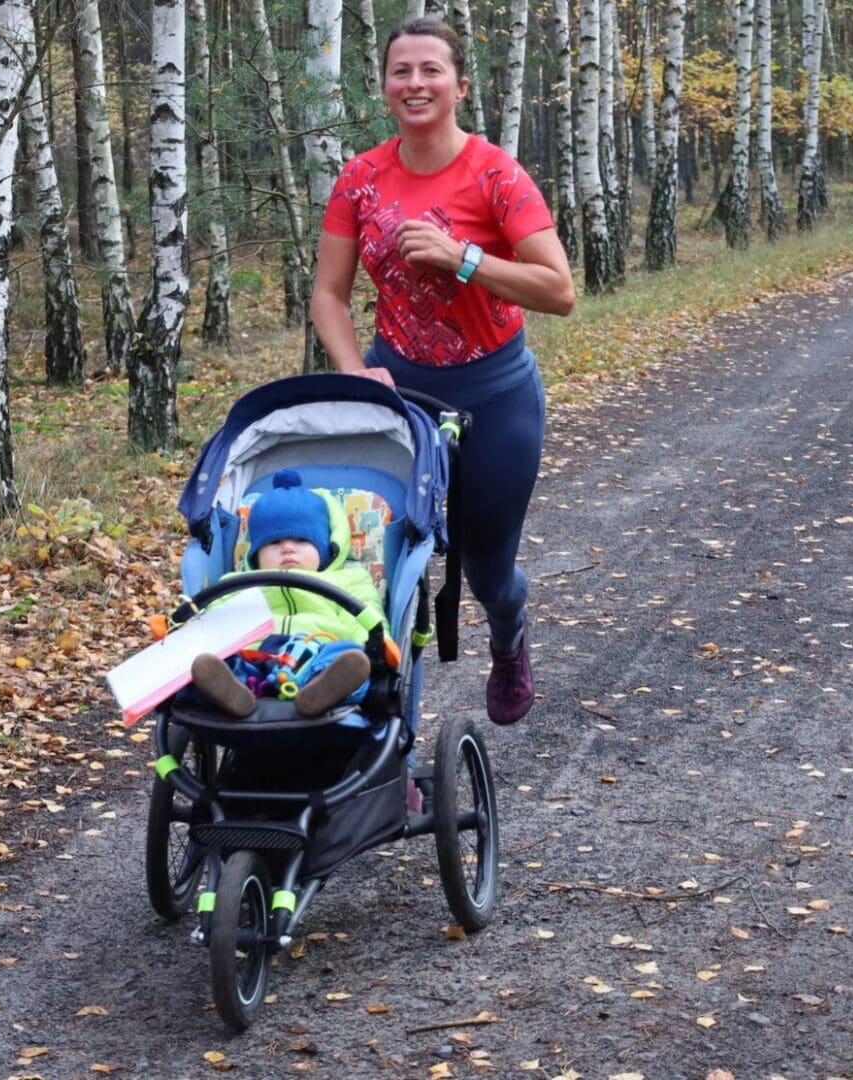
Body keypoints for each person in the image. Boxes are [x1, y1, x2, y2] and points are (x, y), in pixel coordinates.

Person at [311, 17, 575, 726]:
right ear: (385, 87)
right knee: (371, 569)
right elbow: (327, 294)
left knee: (485, 568)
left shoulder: (494, 174)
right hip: (396, 394)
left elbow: (559, 290)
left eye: (430, 70)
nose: (415, 83)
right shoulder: (360, 178)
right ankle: (375, 734)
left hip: (493, 399)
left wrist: (463, 258)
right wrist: (355, 374)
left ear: (459, 85)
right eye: (401, 71)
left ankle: (509, 632)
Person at [189, 471, 383, 718]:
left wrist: (381, 646)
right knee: (223, 662)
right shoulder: (235, 585)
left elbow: (368, 620)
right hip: (257, 658)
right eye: (274, 542)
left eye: (301, 540)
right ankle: (234, 692)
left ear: (324, 549)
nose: (288, 548)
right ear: (256, 554)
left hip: (317, 655)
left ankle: (319, 691)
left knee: (349, 654)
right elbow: (215, 626)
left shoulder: (349, 580)